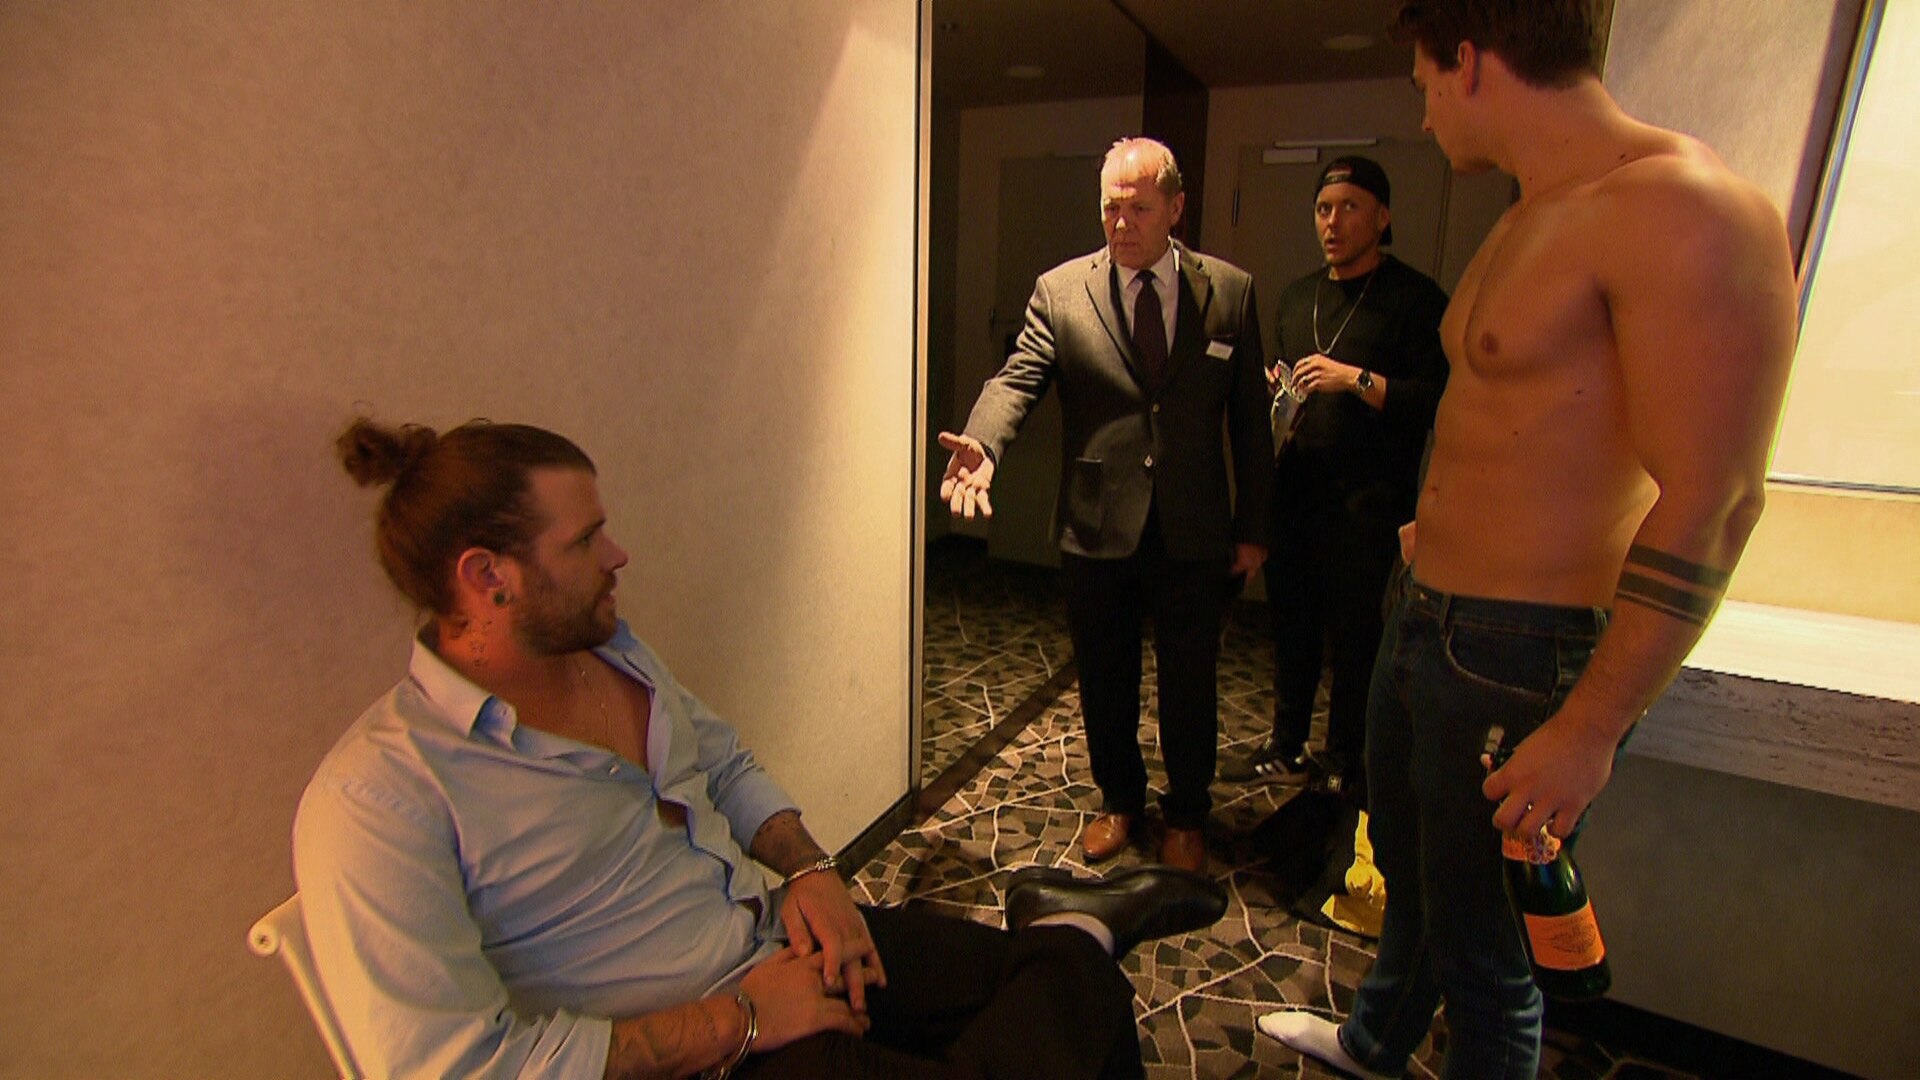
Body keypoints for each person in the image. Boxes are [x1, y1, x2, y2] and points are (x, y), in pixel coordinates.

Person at [296, 417, 1229, 1080]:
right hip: (704, 1051)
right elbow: (455, 1066)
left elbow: (728, 767)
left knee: (1072, 974)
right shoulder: (381, 798)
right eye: (585, 540)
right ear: (486, 577)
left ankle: (1067, 929)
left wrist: (812, 872)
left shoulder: (611, 653)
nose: (618, 555)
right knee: (1059, 1025)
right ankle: (1051, 943)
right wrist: (738, 1019)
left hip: (779, 936)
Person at [1255, 2, 1799, 1077]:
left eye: (1422, 81)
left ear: (1468, 61)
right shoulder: (1529, 212)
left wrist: (1592, 726)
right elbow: (1518, 416)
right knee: (1407, 866)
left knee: (1486, 946)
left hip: (1520, 648)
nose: (1422, 112)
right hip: (1425, 610)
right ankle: (1374, 1043)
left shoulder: (1686, 208)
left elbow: (1720, 497)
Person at [937, 137, 1272, 873]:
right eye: (1110, 209)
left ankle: (1188, 813)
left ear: (1176, 209)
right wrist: (985, 442)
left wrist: (1254, 528)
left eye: (1139, 209)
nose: (1122, 224)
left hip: (1193, 524)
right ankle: (1120, 799)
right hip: (1096, 523)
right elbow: (1018, 377)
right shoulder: (1062, 291)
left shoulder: (1230, 291)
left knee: (1191, 680)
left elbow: (1250, 420)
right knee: (1104, 676)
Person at [1220, 154, 1448, 807]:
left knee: (1355, 641)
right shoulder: (1297, 297)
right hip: (1298, 494)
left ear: (1382, 217)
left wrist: (1356, 379)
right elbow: (1284, 378)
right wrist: (1278, 389)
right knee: (1291, 628)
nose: (1333, 222)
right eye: (1324, 209)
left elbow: (1437, 399)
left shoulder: (1415, 299)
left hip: (1369, 505)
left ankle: (1344, 758)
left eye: (1350, 207)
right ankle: (1285, 745)